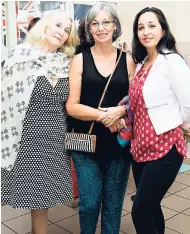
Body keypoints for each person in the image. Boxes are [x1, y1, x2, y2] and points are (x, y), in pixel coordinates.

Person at [1, 9, 79, 234]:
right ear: (44, 27)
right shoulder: (21, 56)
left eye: (66, 30)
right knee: (34, 194)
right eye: (57, 25)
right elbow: (5, 99)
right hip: (27, 137)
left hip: (56, 137)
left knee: (43, 196)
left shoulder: (67, 63)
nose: (61, 32)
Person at [66, 2, 135, 234]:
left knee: (114, 205)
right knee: (89, 204)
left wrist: (121, 112)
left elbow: (134, 101)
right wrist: (106, 115)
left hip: (119, 144)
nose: (101, 28)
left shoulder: (127, 60)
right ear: (89, 28)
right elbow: (72, 106)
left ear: (115, 25)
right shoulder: (79, 60)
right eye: (95, 23)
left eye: (106, 22)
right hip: (86, 144)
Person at [129, 7, 190, 234]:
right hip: (140, 147)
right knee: (152, 209)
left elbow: (188, 103)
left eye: (152, 25)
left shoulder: (172, 61)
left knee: (140, 212)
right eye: (141, 27)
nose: (146, 31)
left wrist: (177, 125)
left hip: (165, 148)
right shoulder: (141, 63)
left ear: (163, 29)